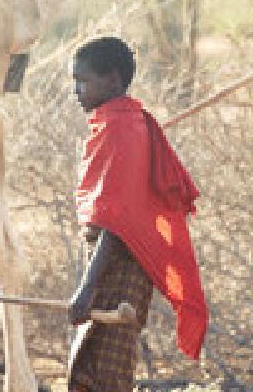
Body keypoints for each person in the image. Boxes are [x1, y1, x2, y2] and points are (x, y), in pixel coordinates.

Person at [67, 36, 208, 392]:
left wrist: (87, 288)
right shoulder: (123, 122)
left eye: (84, 81)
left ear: (113, 80)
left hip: (121, 264)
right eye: (75, 82)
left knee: (106, 372)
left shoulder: (123, 128)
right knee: (88, 366)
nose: (77, 91)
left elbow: (117, 219)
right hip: (111, 261)